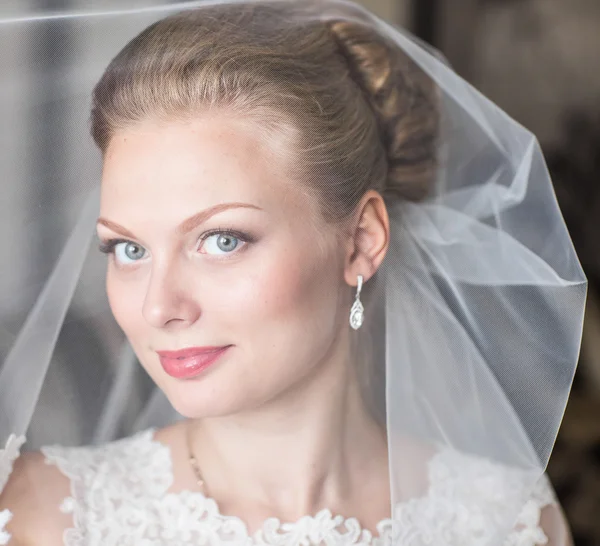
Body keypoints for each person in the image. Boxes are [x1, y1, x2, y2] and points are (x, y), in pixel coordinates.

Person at [0, 0, 586, 544]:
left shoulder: (505, 520)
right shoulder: (41, 517)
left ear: (361, 241)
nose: (159, 307)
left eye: (220, 240)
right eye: (128, 250)